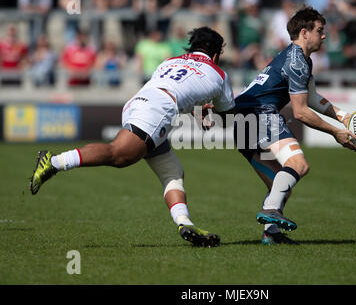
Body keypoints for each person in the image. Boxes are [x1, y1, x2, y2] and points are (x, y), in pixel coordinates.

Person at [29, 27, 235, 248]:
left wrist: (197, 110)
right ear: (215, 55)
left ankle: (185, 223)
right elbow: (229, 116)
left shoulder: (170, 61)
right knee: (120, 155)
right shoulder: (219, 73)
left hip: (138, 101)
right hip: (157, 111)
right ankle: (54, 162)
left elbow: (179, 88)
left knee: (172, 172)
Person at [232, 7, 356, 245]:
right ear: (304, 32)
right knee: (298, 165)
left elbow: (311, 96)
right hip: (259, 114)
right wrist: (336, 133)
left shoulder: (298, 58)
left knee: (281, 181)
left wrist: (342, 116)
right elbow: (300, 112)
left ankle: (271, 233)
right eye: (319, 31)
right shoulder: (297, 61)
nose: (324, 36)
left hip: (241, 120)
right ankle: (270, 210)